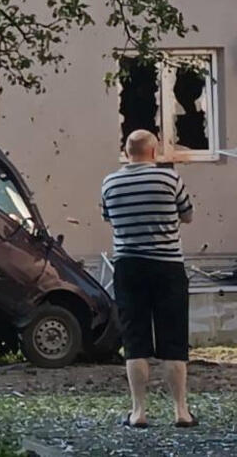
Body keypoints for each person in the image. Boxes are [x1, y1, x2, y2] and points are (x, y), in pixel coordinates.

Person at [101, 129, 196, 429]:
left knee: (135, 339)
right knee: (174, 339)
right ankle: (181, 411)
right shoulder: (169, 179)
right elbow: (188, 215)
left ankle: (138, 411)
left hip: (128, 267)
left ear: (126, 152)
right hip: (167, 267)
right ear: (153, 153)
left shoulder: (110, 182)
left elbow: (108, 217)